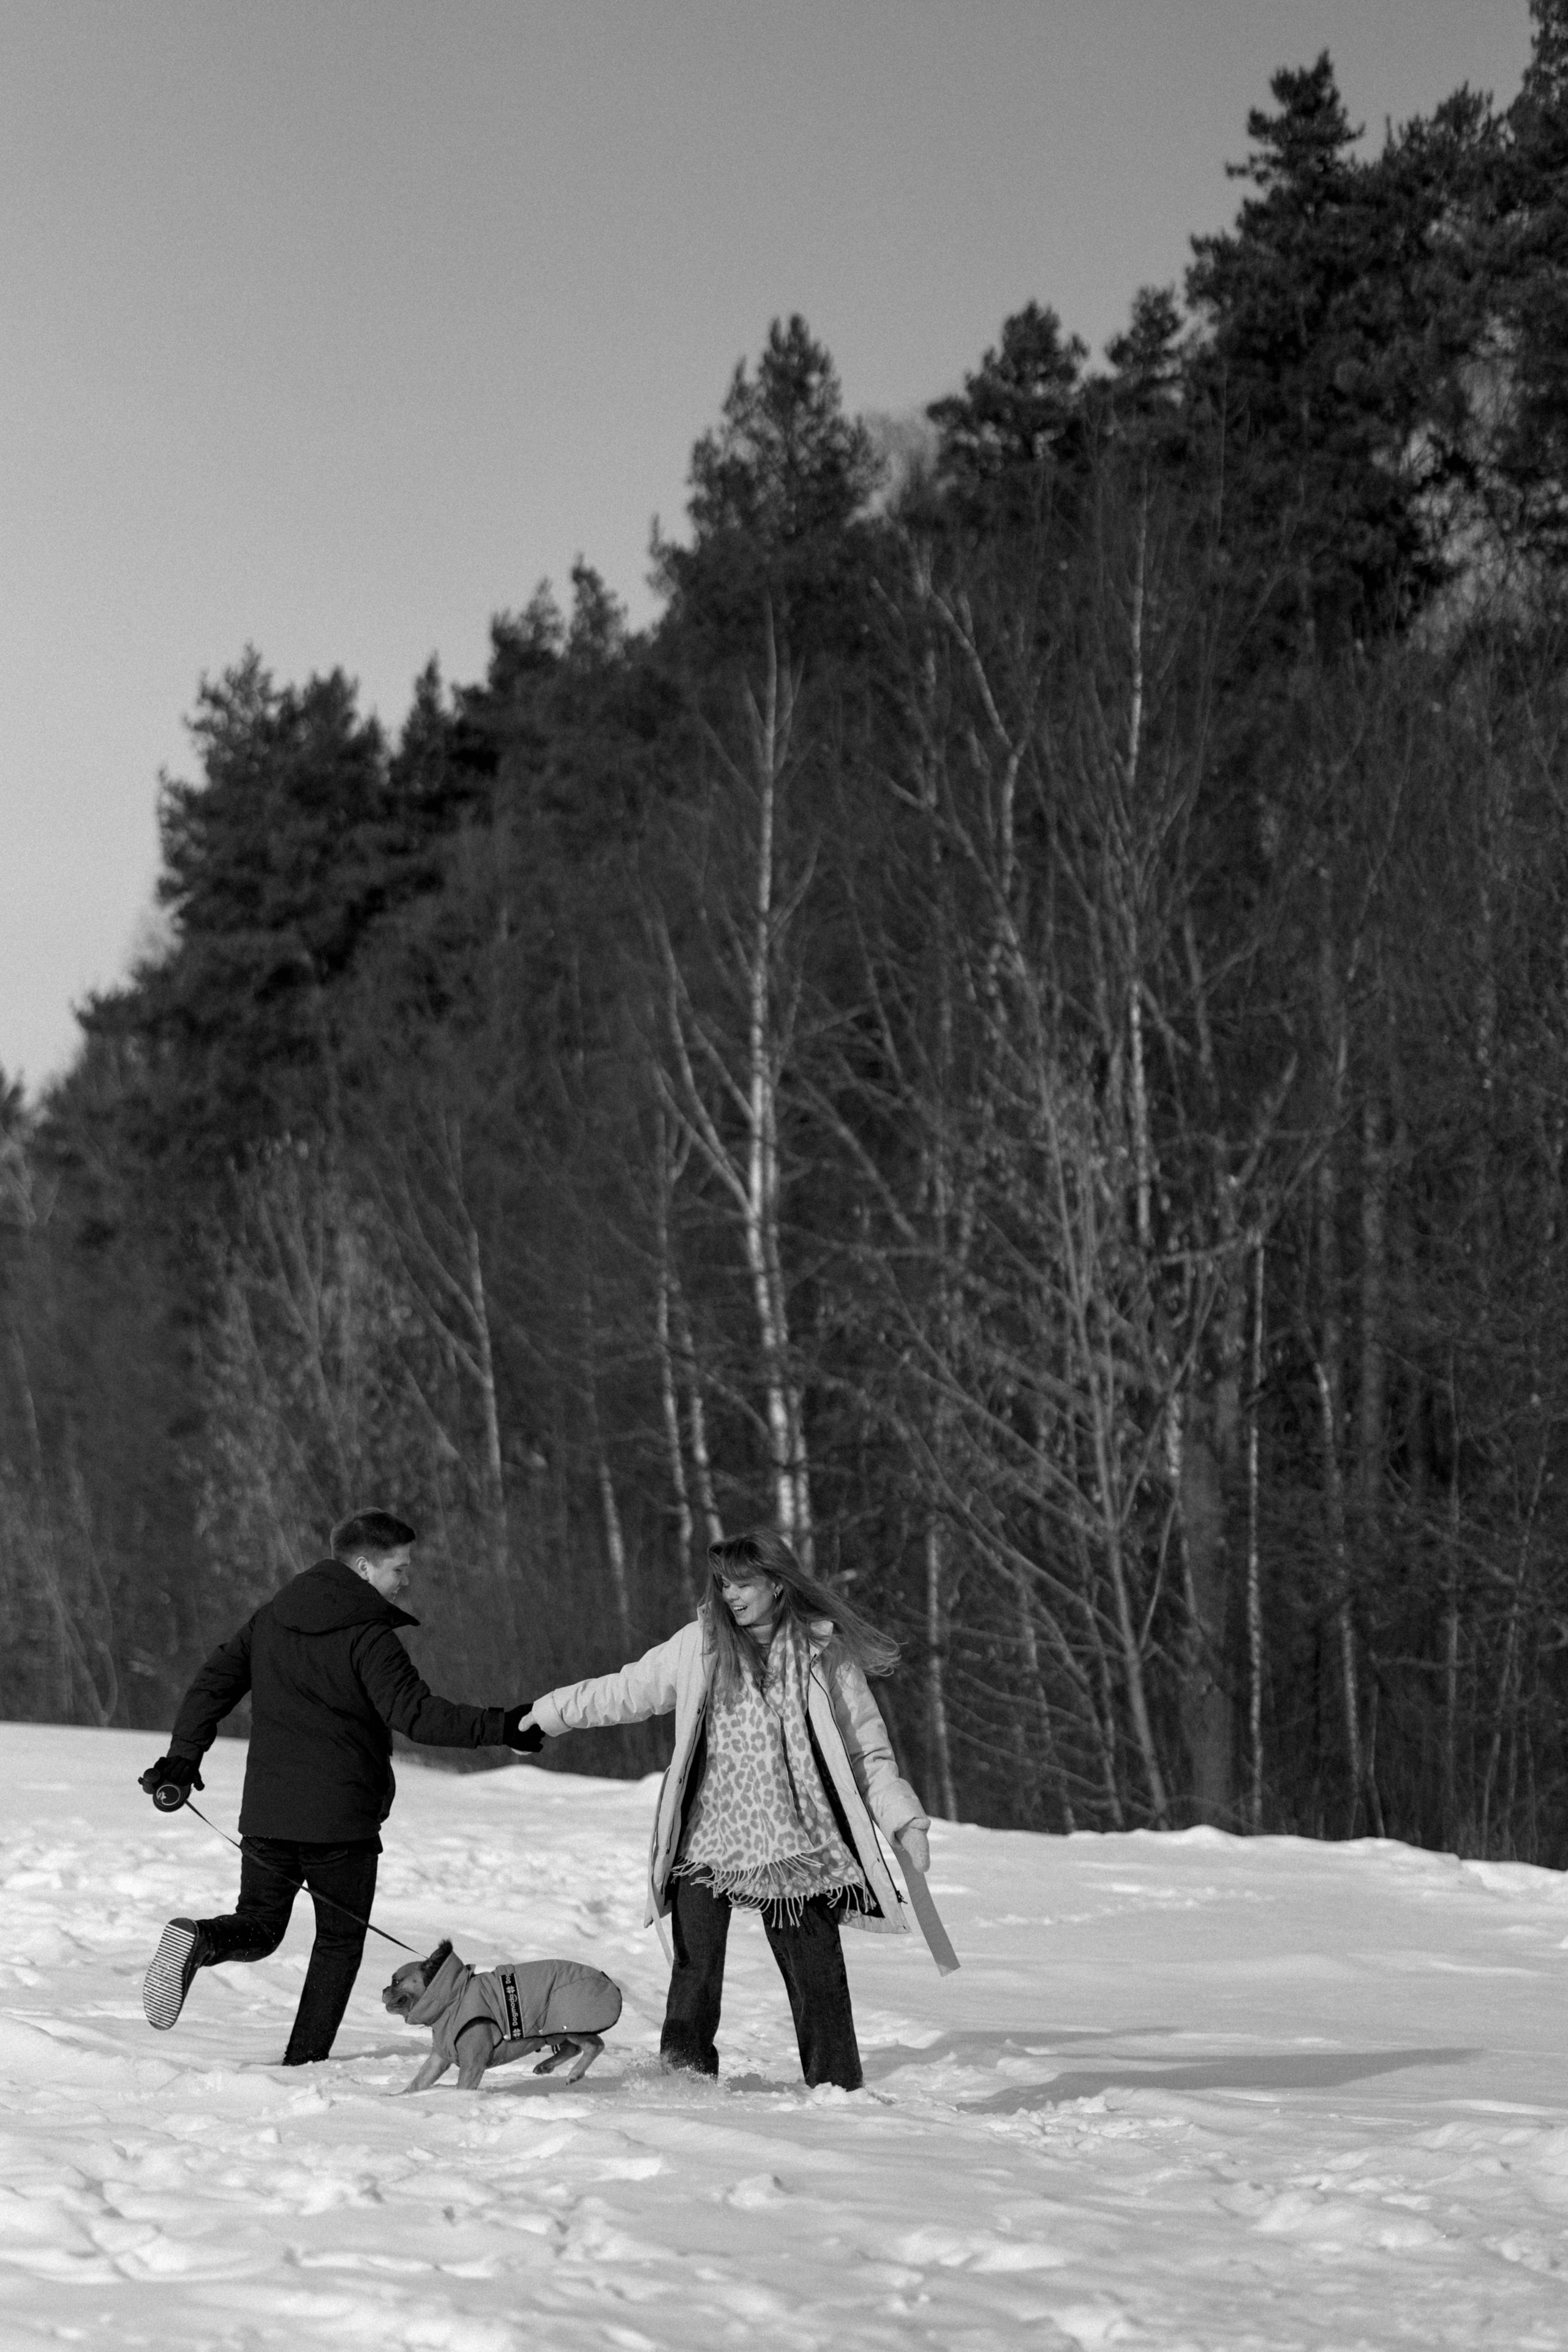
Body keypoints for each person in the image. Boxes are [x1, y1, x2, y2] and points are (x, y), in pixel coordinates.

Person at [516, 1526, 941, 2092]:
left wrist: (905, 1821)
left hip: (794, 1841)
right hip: (708, 1837)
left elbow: (867, 1751)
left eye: (743, 1584)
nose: (731, 1596)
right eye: (723, 1584)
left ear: (778, 1584)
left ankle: (836, 2090)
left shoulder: (823, 1655)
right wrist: (548, 1714)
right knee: (696, 1966)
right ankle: (685, 2078)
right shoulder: (701, 1645)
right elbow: (625, 1690)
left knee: (815, 1970)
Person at [138, 1507, 541, 2064]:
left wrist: (183, 1760)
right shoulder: (368, 1636)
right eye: (399, 1568)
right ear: (363, 1566)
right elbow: (417, 1715)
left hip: (269, 1813)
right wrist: (503, 1726)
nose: (406, 1580)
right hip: (341, 1822)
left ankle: (203, 1938)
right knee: (338, 1942)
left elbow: (212, 1685)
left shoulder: (271, 1619)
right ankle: (303, 2062)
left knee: (260, 1925)